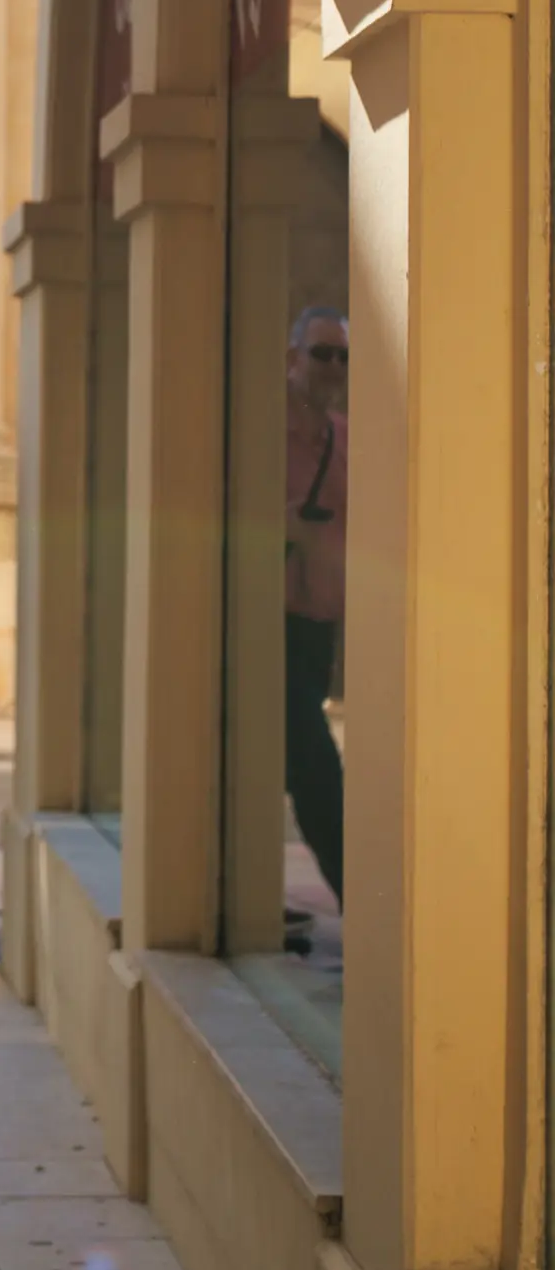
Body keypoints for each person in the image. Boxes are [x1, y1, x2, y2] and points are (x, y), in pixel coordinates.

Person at [284, 304, 348, 908]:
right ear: (292, 358)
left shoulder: (346, 440)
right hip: (265, 627)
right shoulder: (260, 433)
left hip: (316, 630)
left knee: (284, 763)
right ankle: (361, 897)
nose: (333, 367)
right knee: (314, 770)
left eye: (342, 356)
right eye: (321, 353)